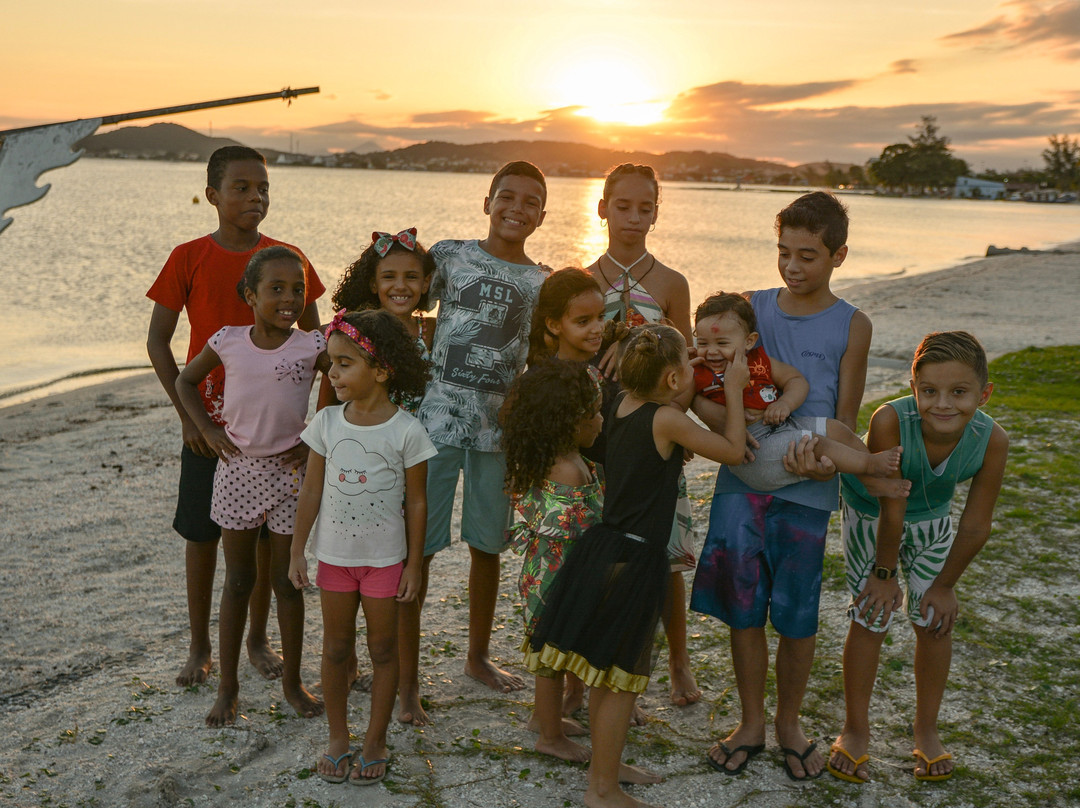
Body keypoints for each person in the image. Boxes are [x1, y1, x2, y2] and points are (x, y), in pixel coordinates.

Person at [526, 324, 750, 808]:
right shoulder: (666, 419)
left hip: (604, 547)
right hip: (637, 556)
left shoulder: (622, 407)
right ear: (672, 381)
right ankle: (602, 790)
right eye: (685, 369)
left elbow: (650, 439)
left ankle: (608, 767)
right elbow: (732, 450)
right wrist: (732, 390)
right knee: (620, 680)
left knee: (606, 671)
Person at [690, 191, 871, 780]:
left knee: (796, 614)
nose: (792, 267)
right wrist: (723, 430)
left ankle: (789, 723)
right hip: (742, 478)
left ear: (839, 255)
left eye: (808, 256)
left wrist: (829, 466)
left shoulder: (853, 324)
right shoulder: (750, 308)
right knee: (743, 606)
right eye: (783, 252)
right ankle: (750, 722)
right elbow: (702, 378)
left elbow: (846, 413)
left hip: (809, 487)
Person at [146, 145, 324, 688]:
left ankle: (257, 639)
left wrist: (315, 432)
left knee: (270, 543)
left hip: (273, 435)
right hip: (212, 425)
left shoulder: (288, 260)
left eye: (263, 188)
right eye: (242, 187)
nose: (255, 197)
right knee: (202, 534)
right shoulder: (188, 256)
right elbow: (158, 344)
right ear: (213, 196)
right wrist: (191, 419)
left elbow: (319, 350)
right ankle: (200, 644)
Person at [826, 331, 1008, 784]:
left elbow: (976, 523)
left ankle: (926, 730)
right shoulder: (891, 420)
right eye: (929, 392)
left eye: (959, 392)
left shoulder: (992, 439)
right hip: (873, 516)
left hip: (933, 521)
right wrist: (884, 576)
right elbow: (892, 502)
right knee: (872, 614)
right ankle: (855, 730)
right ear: (914, 390)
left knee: (933, 620)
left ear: (983, 394)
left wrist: (944, 587)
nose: (943, 404)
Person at [175, 246, 327, 727]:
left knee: (287, 582)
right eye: (276, 289)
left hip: (291, 477)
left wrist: (315, 436)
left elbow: (346, 383)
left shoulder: (312, 346)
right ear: (250, 295)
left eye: (298, 289)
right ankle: (228, 688)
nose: (289, 298)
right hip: (238, 473)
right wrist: (206, 428)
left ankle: (292, 683)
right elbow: (185, 383)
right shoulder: (227, 340)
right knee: (239, 580)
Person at [416, 160, 550, 694]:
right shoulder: (451, 256)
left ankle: (477, 657)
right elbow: (402, 301)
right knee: (418, 544)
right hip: (435, 422)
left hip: (496, 433)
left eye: (530, 202)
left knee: (487, 546)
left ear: (542, 216)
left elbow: (540, 357)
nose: (517, 209)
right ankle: (401, 651)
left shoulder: (541, 282)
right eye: (507, 197)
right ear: (487, 202)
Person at [288, 309, 436, 785]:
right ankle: (337, 737)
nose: (333, 373)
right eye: (331, 363)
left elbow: (416, 503)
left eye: (345, 363)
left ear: (381, 369)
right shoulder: (327, 423)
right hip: (335, 560)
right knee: (334, 650)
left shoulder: (407, 430)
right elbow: (310, 491)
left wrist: (415, 564)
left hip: (386, 563)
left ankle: (374, 740)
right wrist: (297, 551)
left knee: (384, 649)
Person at [586, 163, 700, 710]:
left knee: (665, 557)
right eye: (623, 206)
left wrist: (666, 419)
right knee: (601, 558)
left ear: (657, 212)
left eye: (645, 207)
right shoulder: (584, 279)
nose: (634, 217)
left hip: (656, 439)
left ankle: (678, 664)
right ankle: (589, 667)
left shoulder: (672, 284)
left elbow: (689, 366)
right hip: (601, 440)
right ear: (602, 207)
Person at [319, 227, 436, 725]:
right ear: (373, 281)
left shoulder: (427, 333)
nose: (400, 285)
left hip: (407, 462)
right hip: (354, 466)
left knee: (408, 574)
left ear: (426, 283)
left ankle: (407, 688)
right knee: (348, 570)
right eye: (389, 276)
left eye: (411, 276)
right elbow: (329, 394)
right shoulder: (350, 327)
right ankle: (344, 668)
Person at [692, 291, 906, 492]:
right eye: (703, 342)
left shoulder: (759, 362)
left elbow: (796, 380)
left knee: (837, 429)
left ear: (749, 341)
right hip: (754, 452)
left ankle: (872, 483)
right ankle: (869, 464)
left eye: (722, 342)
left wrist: (785, 403)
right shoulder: (697, 371)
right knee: (814, 443)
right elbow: (675, 401)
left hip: (781, 427)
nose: (711, 351)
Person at [502, 360, 604, 763]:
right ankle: (549, 735)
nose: (600, 421)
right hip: (557, 577)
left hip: (550, 572)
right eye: (593, 414)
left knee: (552, 653)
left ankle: (544, 719)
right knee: (549, 657)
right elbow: (576, 527)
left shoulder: (559, 457)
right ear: (570, 423)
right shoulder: (567, 470)